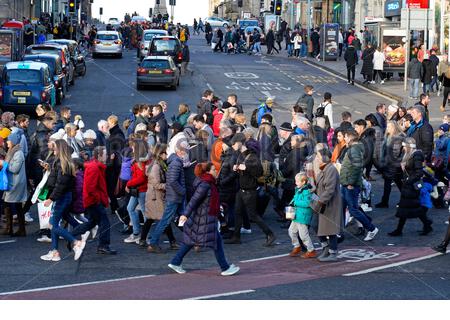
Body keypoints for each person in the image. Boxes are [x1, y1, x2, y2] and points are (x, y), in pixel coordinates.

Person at [168, 162, 240, 276]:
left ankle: (175, 262)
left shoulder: (208, 183)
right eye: (213, 169)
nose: (216, 171)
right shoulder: (205, 184)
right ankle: (225, 268)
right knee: (217, 242)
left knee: (191, 240)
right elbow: (194, 200)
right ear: (207, 172)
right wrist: (185, 214)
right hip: (204, 218)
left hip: (201, 218)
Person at [40, 140, 85, 262]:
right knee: (58, 221)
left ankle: (76, 242)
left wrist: (51, 198)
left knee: (52, 224)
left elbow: (61, 185)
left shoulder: (63, 164)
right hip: (64, 196)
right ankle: (55, 252)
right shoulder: (63, 163)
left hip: (61, 197)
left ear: (60, 149)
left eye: (55, 148)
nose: (53, 151)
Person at [225, 139, 276, 246]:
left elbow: (258, 172)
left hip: (249, 191)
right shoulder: (241, 155)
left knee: (253, 215)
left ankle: (270, 234)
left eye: (235, 144)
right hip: (241, 190)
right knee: (237, 212)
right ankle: (236, 236)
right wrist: (236, 168)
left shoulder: (253, 157)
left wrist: (246, 167)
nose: (234, 146)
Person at [71, 146, 117, 255]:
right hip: (94, 201)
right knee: (104, 223)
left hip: (92, 200)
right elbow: (90, 188)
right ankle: (103, 246)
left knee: (92, 222)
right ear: (99, 156)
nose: (107, 157)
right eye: (105, 155)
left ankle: (71, 235)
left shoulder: (95, 166)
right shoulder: (94, 168)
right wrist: (99, 199)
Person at [148, 142, 187, 253]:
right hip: (173, 196)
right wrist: (182, 191)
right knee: (165, 221)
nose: (167, 154)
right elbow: (172, 181)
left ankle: (193, 239)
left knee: (181, 218)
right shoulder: (173, 163)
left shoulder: (168, 163)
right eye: (165, 152)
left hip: (172, 195)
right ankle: (153, 242)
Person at [389, 137, 433, 236]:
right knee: (410, 208)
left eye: (404, 146)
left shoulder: (416, 155)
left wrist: (409, 180)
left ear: (409, 146)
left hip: (411, 186)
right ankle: (426, 224)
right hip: (408, 186)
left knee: (407, 208)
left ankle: (400, 230)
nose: (403, 148)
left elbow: (419, 172)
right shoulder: (409, 154)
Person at [340, 130, 379, 241]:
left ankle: (371, 229)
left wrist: (351, 183)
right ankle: (339, 232)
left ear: (350, 137)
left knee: (353, 210)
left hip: (350, 185)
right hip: (346, 184)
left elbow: (357, 167)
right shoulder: (354, 149)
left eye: (345, 137)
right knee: (342, 207)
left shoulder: (354, 149)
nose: (344, 139)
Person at [140, 144, 177, 248]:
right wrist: (169, 185)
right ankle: (172, 241)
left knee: (152, 218)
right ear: (161, 154)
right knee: (164, 218)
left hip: (155, 196)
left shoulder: (159, 164)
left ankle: (143, 239)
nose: (167, 155)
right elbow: (156, 184)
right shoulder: (156, 166)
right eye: (165, 152)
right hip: (155, 196)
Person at [312, 148, 342, 262]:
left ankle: (333, 252)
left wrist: (320, 202)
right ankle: (325, 247)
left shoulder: (331, 170)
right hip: (323, 203)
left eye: (319, 156)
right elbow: (320, 187)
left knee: (330, 229)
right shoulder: (324, 169)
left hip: (329, 204)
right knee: (315, 225)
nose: (317, 159)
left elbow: (329, 190)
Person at [1, 131, 28, 236]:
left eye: (9, 140)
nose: (7, 142)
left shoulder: (18, 153)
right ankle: (17, 229)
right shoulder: (13, 151)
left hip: (16, 184)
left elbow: (14, 169)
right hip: (13, 183)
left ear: (13, 141)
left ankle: (12, 229)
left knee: (9, 204)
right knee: (16, 206)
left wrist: (4, 163)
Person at [124, 140, 149, 244]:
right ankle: (137, 233)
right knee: (130, 208)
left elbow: (141, 178)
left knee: (144, 212)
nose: (132, 149)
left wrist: (129, 184)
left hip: (141, 189)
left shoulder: (141, 162)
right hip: (138, 189)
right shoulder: (139, 161)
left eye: (134, 147)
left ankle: (145, 236)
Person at [376, 121, 405, 208]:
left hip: (393, 164)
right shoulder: (389, 136)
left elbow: (395, 153)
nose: (387, 128)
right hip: (390, 163)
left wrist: (386, 161)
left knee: (390, 183)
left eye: (389, 127)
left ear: (394, 127)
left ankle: (385, 202)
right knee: (397, 183)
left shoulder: (398, 137)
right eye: (387, 126)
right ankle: (404, 200)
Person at [287, 172, 316, 258]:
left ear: (303, 182)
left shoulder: (307, 191)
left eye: (297, 181)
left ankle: (311, 250)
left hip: (303, 216)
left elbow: (307, 203)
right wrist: (291, 203)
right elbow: (295, 198)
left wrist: (295, 202)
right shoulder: (299, 189)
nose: (296, 183)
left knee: (303, 235)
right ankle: (297, 246)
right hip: (296, 215)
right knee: (291, 231)